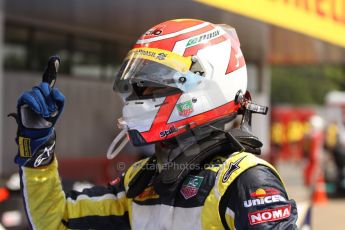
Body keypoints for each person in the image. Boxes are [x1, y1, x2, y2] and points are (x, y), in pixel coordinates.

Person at [13, 19, 298, 229]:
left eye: (151, 85)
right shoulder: (141, 179)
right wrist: (39, 149)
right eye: (138, 85)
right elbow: (53, 221)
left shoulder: (242, 179)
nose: (138, 95)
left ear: (205, 86)